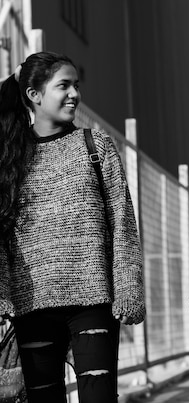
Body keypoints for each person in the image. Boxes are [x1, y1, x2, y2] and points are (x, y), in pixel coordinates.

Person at [0, 51, 145, 402]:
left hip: (92, 301)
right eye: (63, 85)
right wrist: (3, 296)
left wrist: (129, 288)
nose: (74, 94)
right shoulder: (9, 157)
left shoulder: (96, 146)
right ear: (34, 95)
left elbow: (122, 221)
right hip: (31, 304)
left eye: (76, 86)